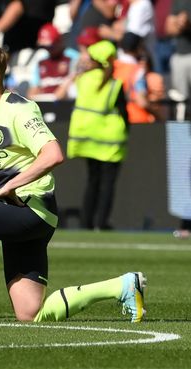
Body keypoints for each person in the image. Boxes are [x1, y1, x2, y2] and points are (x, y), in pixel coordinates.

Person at [0, 41, 146, 324]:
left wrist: (9, 186)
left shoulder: (20, 109)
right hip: (18, 213)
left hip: (30, 210)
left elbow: (53, 154)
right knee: (30, 314)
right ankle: (123, 286)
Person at [68, 40, 129, 232]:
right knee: (107, 184)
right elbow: (124, 114)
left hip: (86, 139)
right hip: (110, 141)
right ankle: (100, 223)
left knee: (92, 181)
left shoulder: (82, 79)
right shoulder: (114, 84)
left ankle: (86, 221)